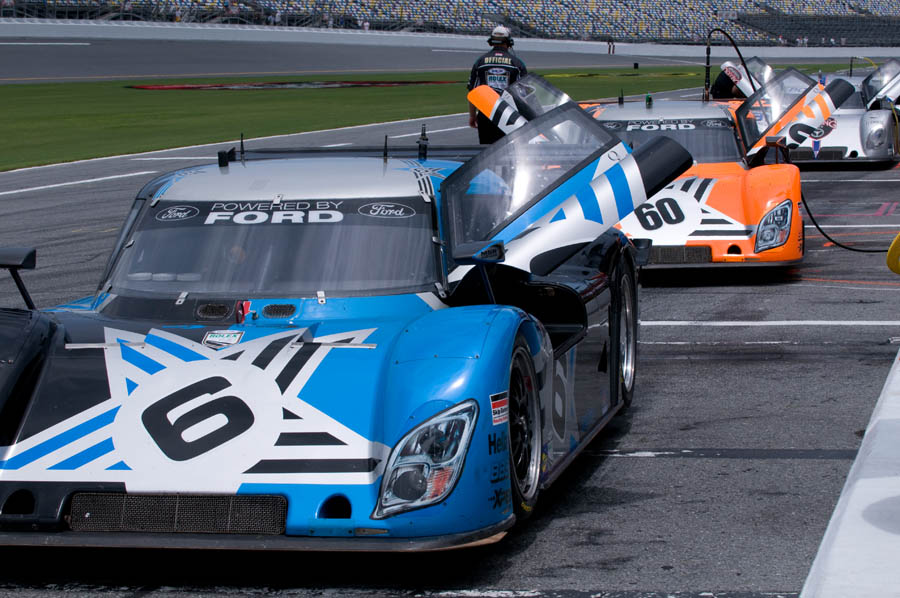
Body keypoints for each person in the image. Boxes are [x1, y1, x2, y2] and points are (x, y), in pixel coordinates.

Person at [467, 25, 527, 144]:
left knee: (487, 150)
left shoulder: (480, 62)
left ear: (491, 42)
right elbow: (524, 94)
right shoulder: (517, 63)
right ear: (509, 42)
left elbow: (473, 92)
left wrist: (472, 115)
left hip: (486, 113)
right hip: (509, 116)